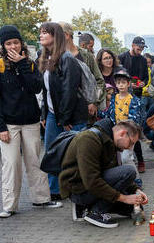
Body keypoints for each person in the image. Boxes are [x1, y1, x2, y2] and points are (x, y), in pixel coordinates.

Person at [0, 25, 62, 218]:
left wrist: (21, 64)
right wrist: (1, 127)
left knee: (34, 160)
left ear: (21, 44)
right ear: (2, 45)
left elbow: (36, 87)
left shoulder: (30, 64)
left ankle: (41, 198)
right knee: (11, 163)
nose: (13, 46)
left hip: (31, 121)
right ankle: (9, 205)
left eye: (15, 42)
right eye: (8, 43)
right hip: (8, 123)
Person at [59, 118, 148, 228]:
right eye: (131, 143)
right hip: (79, 190)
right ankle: (95, 212)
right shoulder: (89, 139)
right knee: (129, 172)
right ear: (122, 133)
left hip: (93, 186)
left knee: (133, 208)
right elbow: (92, 181)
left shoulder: (110, 141)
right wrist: (124, 198)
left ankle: (89, 207)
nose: (130, 148)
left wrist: (135, 190)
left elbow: (114, 173)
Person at [39, 22, 88, 200]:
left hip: (71, 117)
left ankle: (78, 190)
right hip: (53, 115)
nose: (41, 36)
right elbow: (47, 91)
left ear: (56, 36)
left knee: (75, 155)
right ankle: (55, 191)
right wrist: (44, 114)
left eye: (45, 33)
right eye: (41, 33)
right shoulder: (45, 58)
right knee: (51, 153)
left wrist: (65, 119)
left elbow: (70, 90)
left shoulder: (66, 58)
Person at [59, 22, 106, 122]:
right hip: (63, 110)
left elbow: (99, 81)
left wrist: (94, 102)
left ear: (66, 35)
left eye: (56, 33)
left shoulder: (86, 56)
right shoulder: (56, 56)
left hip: (85, 112)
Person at [119, 36, 148, 172]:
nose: (140, 50)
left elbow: (146, 77)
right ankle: (128, 160)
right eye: (138, 47)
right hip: (124, 96)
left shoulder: (142, 60)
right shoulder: (123, 57)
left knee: (135, 128)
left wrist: (143, 83)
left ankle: (140, 159)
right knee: (125, 128)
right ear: (132, 45)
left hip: (137, 95)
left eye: (142, 48)